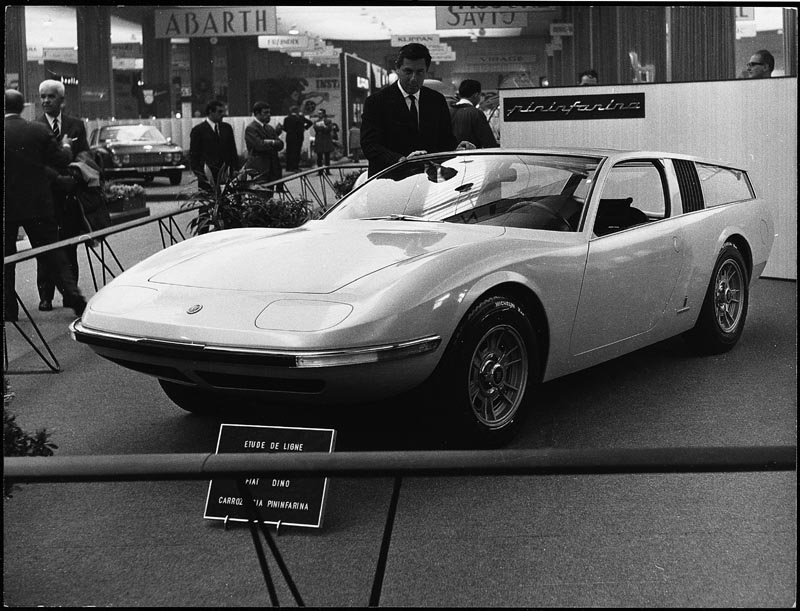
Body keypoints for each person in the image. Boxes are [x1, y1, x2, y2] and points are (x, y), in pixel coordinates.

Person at [4, 89, 87, 322]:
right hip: (38, 205)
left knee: (5, 260)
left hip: (7, 208)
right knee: (53, 254)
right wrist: (67, 146)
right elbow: (61, 160)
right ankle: (74, 298)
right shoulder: (38, 130)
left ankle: (8, 309)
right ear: (22, 107)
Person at [360, 43, 472, 177]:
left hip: (426, 183)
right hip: (388, 182)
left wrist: (456, 149)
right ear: (397, 69)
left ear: (426, 71)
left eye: (419, 72)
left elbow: (445, 140)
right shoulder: (376, 102)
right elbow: (370, 145)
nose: (414, 79)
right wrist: (401, 160)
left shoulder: (436, 100)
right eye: (408, 72)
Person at [35, 79, 90, 312]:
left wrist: (75, 176)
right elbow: (35, 163)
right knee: (45, 247)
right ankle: (45, 296)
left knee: (70, 245)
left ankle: (70, 295)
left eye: (51, 97)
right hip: (45, 196)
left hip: (69, 196)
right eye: (43, 97)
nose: (46, 101)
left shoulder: (76, 125)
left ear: (62, 100)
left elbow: (85, 155)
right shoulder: (34, 127)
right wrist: (55, 178)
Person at [189, 99, 239, 191]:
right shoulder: (198, 130)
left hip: (226, 175)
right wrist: (200, 174)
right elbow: (194, 155)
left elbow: (232, 150)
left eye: (223, 111)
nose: (222, 114)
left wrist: (235, 169)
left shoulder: (226, 128)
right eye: (219, 112)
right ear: (211, 112)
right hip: (208, 176)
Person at [244, 101, 284, 196]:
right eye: (265, 113)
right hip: (259, 169)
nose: (268, 115)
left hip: (272, 169)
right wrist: (273, 142)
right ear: (257, 114)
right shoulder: (251, 128)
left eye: (269, 113)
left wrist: (270, 142)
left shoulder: (269, 128)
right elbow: (259, 146)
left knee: (269, 196)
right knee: (259, 198)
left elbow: (281, 144)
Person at [450, 79, 499, 149]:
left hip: (450, 157)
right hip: (472, 157)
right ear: (476, 95)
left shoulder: (449, 111)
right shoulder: (476, 113)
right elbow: (489, 142)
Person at [282, 105, 312, 172]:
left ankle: (288, 167)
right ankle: (295, 167)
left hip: (289, 137)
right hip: (298, 138)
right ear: (297, 111)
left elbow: (284, 128)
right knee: (296, 152)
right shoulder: (300, 118)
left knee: (289, 152)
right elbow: (310, 123)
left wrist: (289, 131)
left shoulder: (287, 119)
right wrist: (304, 128)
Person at [312, 109, 336, 174]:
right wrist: (323, 128)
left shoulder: (328, 121)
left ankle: (327, 170)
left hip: (326, 140)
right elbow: (315, 128)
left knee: (327, 156)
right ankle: (320, 171)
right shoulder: (316, 121)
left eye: (320, 113)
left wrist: (323, 128)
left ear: (324, 114)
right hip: (319, 140)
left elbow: (329, 128)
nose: (319, 115)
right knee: (319, 157)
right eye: (318, 113)